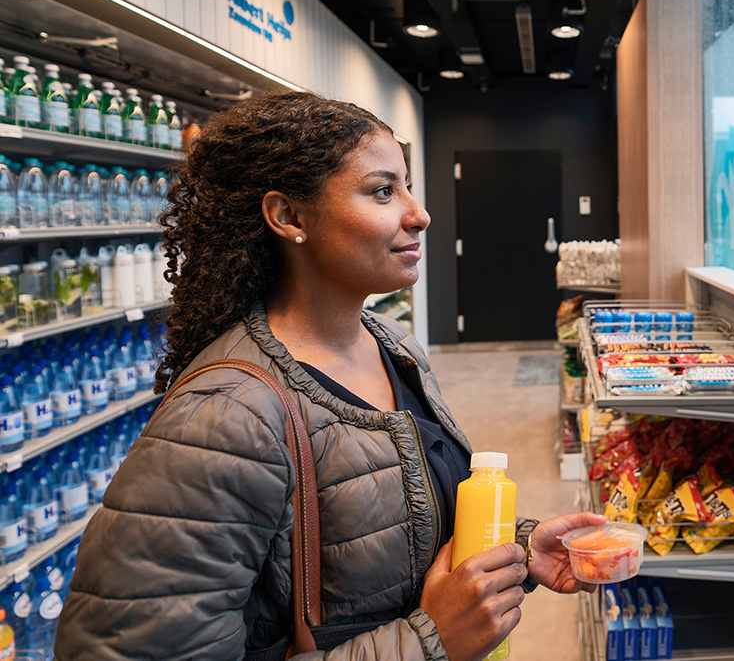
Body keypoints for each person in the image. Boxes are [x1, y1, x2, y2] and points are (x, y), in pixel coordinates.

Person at [54, 91, 605, 660]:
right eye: (383, 191)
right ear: (289, 216)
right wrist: (426, 642)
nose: (419, 213)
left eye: (407, 186)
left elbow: (386, 525)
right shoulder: (224, 417)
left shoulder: (394, 347)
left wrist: (513, 548)